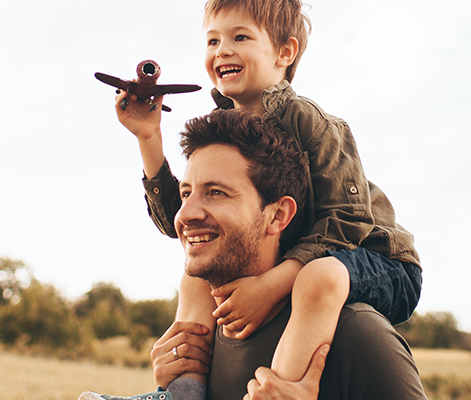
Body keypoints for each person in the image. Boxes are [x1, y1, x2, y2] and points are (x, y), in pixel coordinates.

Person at [111, 1, 422, 398]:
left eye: (239, 37)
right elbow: (183, 221)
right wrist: (149, 138)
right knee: (197, 273)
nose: (222, 50)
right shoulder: (225, 129)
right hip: (305, 259)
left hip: (372, 258)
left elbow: (348, 222)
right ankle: (179, 393)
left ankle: (283, 388)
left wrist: (272, 285)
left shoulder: (310, 122)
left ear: (285, 52)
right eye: (212, 41)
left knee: (319, 277)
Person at [85, 110, 425, 400]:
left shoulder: (357, 336)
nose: (185, 214)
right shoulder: (197, 346)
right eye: (186, 193)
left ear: (278, 216)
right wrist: (173, 388)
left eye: (216, 193)